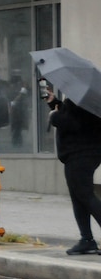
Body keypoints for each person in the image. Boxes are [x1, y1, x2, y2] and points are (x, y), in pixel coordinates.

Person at [43, 82, 101, 255]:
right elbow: (72, 116)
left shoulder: (83, 99)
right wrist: (54, 105)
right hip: (79, 154)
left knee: (85, 195)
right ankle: (86, 240)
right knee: (79, 197)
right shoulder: (84, 99)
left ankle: (87, 239)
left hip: (82, 154)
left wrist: (54, 117)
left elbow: (74, 123)